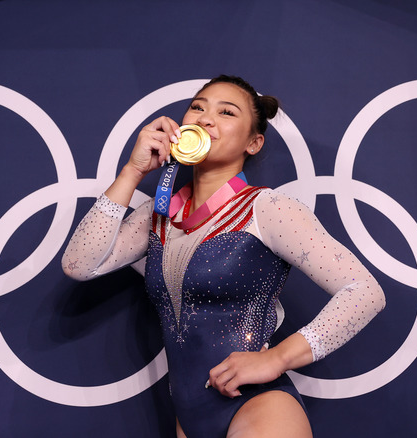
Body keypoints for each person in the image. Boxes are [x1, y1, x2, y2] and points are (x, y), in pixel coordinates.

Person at [62, 75, 385, 438]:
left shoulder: (267, 209)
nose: (205, 118)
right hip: (187, 418)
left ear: (253, 143)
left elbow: (364, 292)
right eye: (197, 107)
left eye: (226, 112)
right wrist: (133, 171)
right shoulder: (160, 213)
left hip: (259, 410)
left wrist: (276, 359)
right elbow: (79, 264)